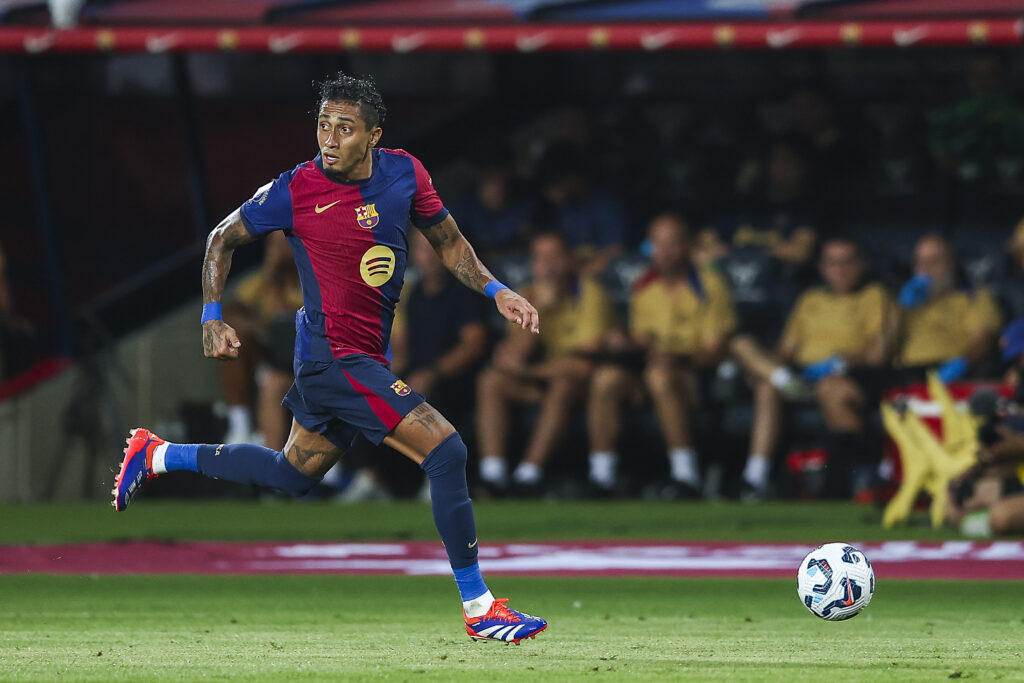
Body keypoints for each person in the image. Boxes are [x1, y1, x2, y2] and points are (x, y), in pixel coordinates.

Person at [112, 72, 547, 643]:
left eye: (345, 128)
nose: (329, 138)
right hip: (333, 357)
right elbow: (221, 238)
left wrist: (499, 291)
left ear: (373, 136)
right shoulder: (296, 189)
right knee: (446, 450)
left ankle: (160, 454)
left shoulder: (405, 173)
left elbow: (449, 242)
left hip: (361, 356)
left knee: (293, 475)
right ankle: (480, 607)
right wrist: (211, 316)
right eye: (323, 125)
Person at [730, 237, 895, 500]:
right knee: (748, 357)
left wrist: (838, 363)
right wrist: (765, 366)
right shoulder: (810, 299)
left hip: (849, 374)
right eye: (832, 263)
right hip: (800, 375)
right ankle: (754, 478)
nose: (840, 269)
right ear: (822, 268)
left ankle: (860, 474)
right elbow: (786, 350)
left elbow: (877, 355)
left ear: (862, 264)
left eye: (847, 262)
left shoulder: (875, 296)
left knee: (831, 389)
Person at [586, 213, 735, 497]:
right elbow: (644, 342)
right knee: (606, 378)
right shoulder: (643, 288)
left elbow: (714, 353)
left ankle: (686, 475)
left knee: (660, 375)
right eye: (658, 243)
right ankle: (601, 477)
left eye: (673, 243)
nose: (664, 252)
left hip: (694, 376)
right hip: (647, 371)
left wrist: (675, 358)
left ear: (689, 245)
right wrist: (624, 343)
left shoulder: (710, 284)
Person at [338, 229, 490, 503]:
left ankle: (437, 481)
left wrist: (433, 373)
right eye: (421, 249)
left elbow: (473, 345)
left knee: (429, 397)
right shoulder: (414, 294)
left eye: (433, 248)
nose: (428, 256)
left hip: (454, 380)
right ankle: (370, 478)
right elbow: (403, 348)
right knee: (368, 396)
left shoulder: (463, 292)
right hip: (416, 377)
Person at [475, 231, 614, 495]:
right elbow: (510, 359)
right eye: (540, 258)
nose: (548, 265)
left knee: (564, 383)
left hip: (580, 388)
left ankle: (529, 475)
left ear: (571, 260)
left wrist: (528, 371)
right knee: (490, 381)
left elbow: (582, 365)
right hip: (541, 383)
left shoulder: (590, 294)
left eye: (555, 257)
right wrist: (541, 309)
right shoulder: (526, 295)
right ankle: (492, 476)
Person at [219, 231, 303, 449]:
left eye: (280, 243)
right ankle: (240, 424)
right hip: (272, 356)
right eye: (272, 243)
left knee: (273, 382)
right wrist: (257, 327)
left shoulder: (310, 280)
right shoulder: (264, 283)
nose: (273, 249)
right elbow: (231, 311)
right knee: (234, 336)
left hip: (306, 360)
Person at [896, 234, 1003, 381]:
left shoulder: (973, 296)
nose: (925, 270)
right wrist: (899, 309)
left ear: (952, 263)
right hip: (906, 374)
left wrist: (962, 364)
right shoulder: (905, 303)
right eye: (920, 263)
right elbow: (882, 352)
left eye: (934, 262)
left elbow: (984, 339)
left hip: (951, 372)